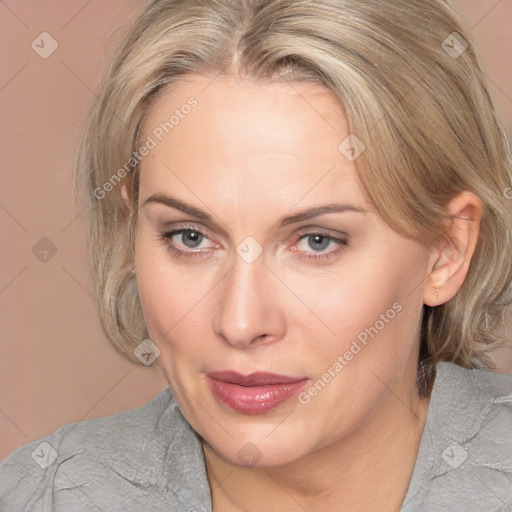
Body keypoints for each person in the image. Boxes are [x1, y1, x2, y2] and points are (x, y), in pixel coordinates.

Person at [1, 0, 511, 510]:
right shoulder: (40, 495)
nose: (241, 322)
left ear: (447, 249)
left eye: (317, 241)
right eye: (190, 237)